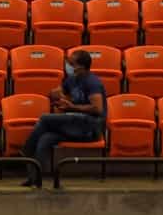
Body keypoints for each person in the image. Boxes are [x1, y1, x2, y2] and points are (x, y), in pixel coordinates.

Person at [19, 49, 106, 186]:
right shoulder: (71, 80)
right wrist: (57, 95)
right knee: (45, 138)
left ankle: (24, 153)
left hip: (90, 127)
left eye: (71, 63)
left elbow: (98, 109)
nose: (67, 65)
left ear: (80, 67)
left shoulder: (92, 82)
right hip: (74, 124)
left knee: (45, 119)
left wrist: (72, 107)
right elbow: (56, 92)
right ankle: (34, 178)